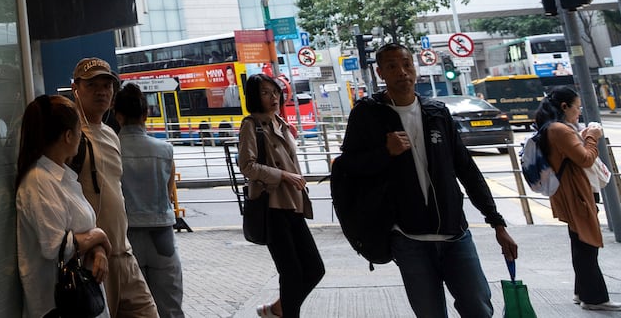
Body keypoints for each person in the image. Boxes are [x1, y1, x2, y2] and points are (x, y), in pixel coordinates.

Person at [340, 44, 518, 318]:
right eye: (392, 66)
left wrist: (497, 222)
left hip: (455, 233)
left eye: (407, 64)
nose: (402, 72)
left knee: (478, 305)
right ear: (380, 73)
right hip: (408, 238)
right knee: (430, 313)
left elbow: (467, 169)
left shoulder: (437, 112)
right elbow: (348, 168)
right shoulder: (368, 115)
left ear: (415, 67)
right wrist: (384, 153)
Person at [69, 58, 160, 318]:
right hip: (93, 260)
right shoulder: (70, 135)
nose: (102, 91)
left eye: (107, 85)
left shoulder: (111, 134)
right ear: (76, 88)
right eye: (92, 85)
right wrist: (93, 246)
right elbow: (68, 199)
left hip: (124, 252)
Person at [15, 94, 112, 318]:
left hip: (81, 299)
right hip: (58, 306)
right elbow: (55, 246)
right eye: (80, 129)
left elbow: (78, 229)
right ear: (68, 136)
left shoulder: (60, 176)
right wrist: (99, 237)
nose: (82, 136)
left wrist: (97, 250)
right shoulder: (40, 181)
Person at [237, 74, 323, 318]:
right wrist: (283, 175)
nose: (273, 97)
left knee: (315, 269)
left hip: (293, 204)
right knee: (292, 273)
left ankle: (277, 309)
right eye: (265, 93)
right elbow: (247, 166)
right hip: (271, 206)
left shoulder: (281, 123)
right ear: (255, 97)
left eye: (275, 91)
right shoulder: (251, 125)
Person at [533, 85, 619, 310]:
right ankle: (594, 298)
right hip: (575, 193)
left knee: (581, 242)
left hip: (568, 191)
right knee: (587, 244)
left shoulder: (550, 127)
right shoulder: (560, 129)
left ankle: (582, 292)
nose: (579, 112)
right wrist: (592, 136)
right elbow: (585, 159)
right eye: (577, 107)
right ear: (564, 106)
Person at [113, 83, 185, 318]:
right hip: (162, 237)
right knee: (170, 307)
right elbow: (168, 189)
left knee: (135, 310)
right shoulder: (165, 149)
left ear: (118, 116)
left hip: (127, 238)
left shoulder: (111, 150)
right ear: (146, 115)